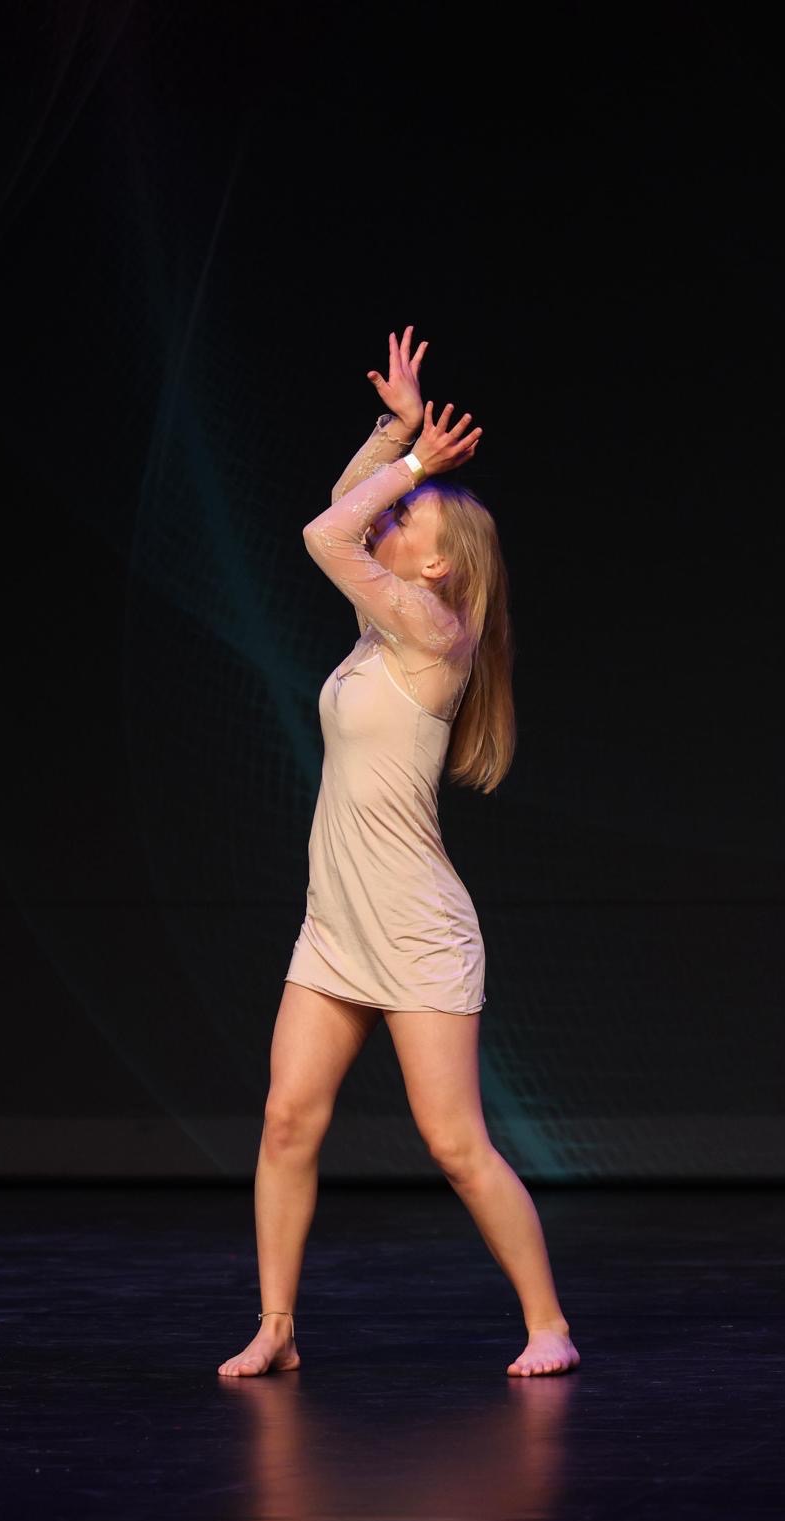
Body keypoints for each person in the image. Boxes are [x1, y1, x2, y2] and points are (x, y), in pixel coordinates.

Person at [218, 327, 579, 1380]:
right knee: (287, 1119)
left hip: (417, 927)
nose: (390, 512)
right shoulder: (380, 629)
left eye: (407, 515)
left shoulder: (433, 635)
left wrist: (418, 462)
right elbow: (348, 506)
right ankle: (277, 1327)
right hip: (337, 922)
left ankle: (548, 1324)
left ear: (435, 565)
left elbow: (326, 532)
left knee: (453, 1145)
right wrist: (397, 433)